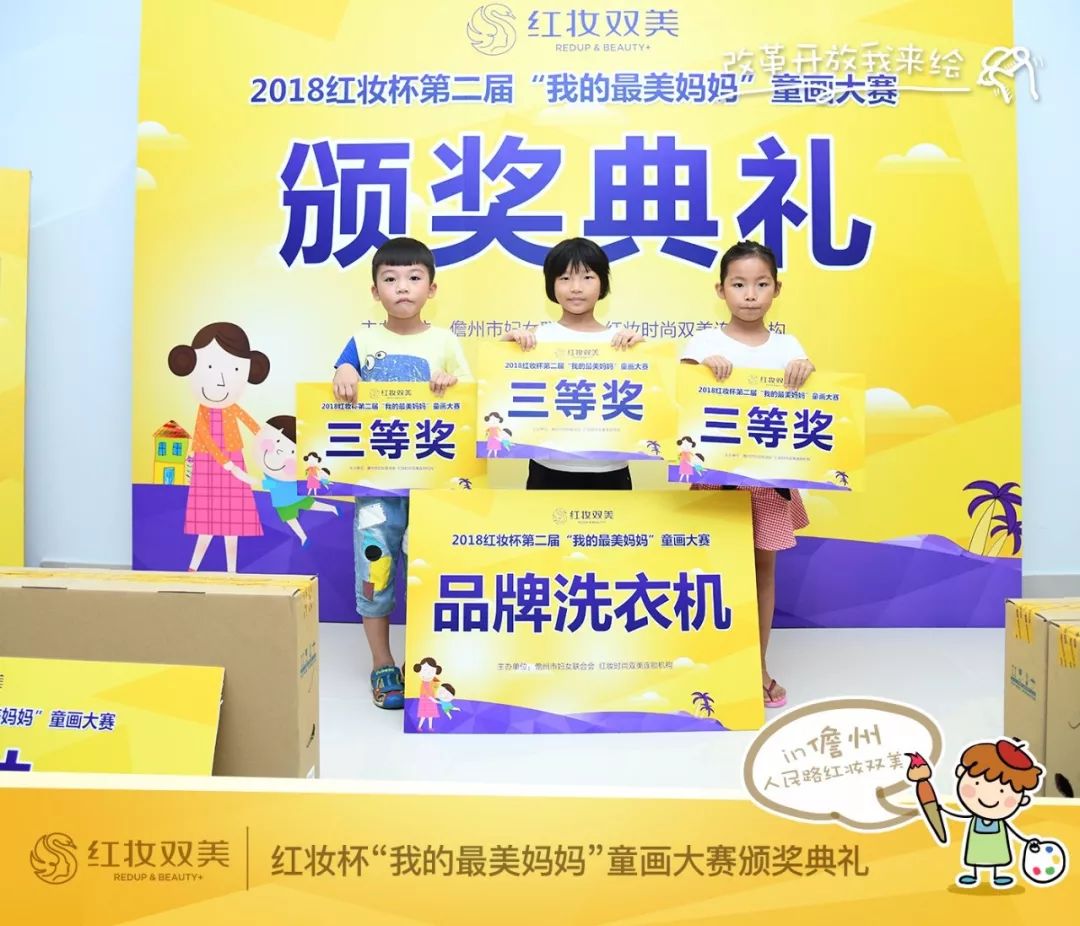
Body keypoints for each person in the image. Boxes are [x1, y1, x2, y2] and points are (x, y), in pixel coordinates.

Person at [332, 237, 470, 710]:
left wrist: (451, 382)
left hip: (432, 485)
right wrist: (344, 372)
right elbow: (341, 375)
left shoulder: (445, 341)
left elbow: (469, 398)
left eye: (414, 278)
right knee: (375, 568)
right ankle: (382, 663)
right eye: (390, 279)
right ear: (375, 291)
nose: (403, 287)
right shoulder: (363, 340)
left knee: (430, 570)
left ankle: (426, 661)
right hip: (377, 485)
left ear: (432, 288)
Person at [681, 240, 814, 709]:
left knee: (762, 571)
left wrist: (807, 372)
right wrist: (698, 369)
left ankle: (756, 666)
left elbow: (812, 407)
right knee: (713, 572)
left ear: (777, 289)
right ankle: (711, 666)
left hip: (768, 480)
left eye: (761, 284)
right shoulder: (703, 343)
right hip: (716, 477)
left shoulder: (789, 347)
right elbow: (680, 400)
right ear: (721, 290)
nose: (751, 294)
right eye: (739, 284)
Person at [501, 237, 643, 490]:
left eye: (587, 277)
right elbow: (497, 387)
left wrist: (643, 351)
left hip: (610, 469)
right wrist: (506, 344)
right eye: (565, 278)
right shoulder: (536, 338)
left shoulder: (622, 340)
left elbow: (652, 396)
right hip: (548, 468)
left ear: (603, 283)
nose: (576, 288)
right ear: (551, 285)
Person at [167, 322, 269, 573]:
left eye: (234, 369)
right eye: (210, 367)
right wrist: (226, 463)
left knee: (232, 524)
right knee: (207, 523)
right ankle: (193, 567)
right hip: (208, 463)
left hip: (233, 458)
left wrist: (266, 438)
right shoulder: (203, 410)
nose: (221, 380)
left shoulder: (231, 407)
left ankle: (231, 571)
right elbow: (205, 438)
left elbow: (251, 423)